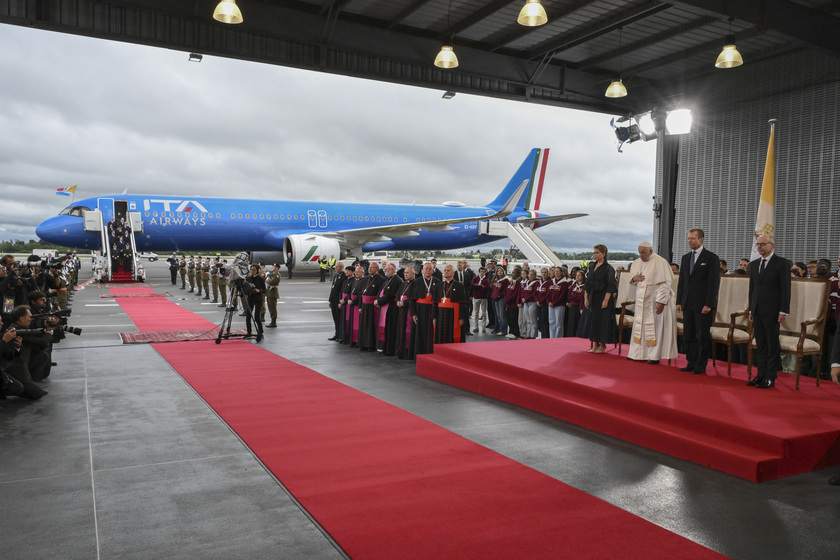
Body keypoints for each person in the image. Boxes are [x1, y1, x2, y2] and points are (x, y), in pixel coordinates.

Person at [745, 234, 791, 389]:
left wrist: (783, 310)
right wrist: (751, 308)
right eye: (758, 244)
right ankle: (760, 374)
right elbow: (753, 289)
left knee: (772, 344)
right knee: (761, 344)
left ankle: (771, 376)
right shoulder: (755, 263)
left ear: (772, 245)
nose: (760, 247)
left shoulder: (781, 263)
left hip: (773, 310)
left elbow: (786, 289)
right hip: (757, 310)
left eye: (763, 244)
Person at [676, 228, 721, 374]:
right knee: (688, 334)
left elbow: (713, 283)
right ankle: (691, 361)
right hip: (687, 303)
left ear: (701, 239)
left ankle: (701, 364)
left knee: (701, 335)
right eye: (688, 238)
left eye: (693, 239)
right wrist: (679, 301)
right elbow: (682, 281)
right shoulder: (685, 258)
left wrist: (709, 304)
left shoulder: (711, 258)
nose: (690, 241)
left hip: (703, 304)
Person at [627, 242, 678, 364]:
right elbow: (631, 279)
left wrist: (661, 302)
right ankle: (638, 353)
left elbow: (665, 284)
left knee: (654, 328)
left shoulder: (660, 262)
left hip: (655, 300)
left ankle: (654, 356)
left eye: (643, 252)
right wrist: (634, 279)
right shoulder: (637, 262)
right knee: (639, 327)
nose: (641, 255)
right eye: (639, 252)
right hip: (641, 300)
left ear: (650, 251)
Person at [584, 244, 616, 353]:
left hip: (603, 296)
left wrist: (606, 300)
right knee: (594, 319)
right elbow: (587, 284)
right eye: (594, 252)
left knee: (603, 320)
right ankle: (595, 343)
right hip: (593, 295)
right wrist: (586, 298)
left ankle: (602, 344)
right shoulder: (592, 266)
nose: (595, 255)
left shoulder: (608, 268)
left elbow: (611, 285)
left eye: (597, 253)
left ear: (603, 254)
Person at [409, 262, 441, 357]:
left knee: (432, 332)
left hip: (433, 310)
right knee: (420, 332)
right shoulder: (416, 282)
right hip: (420, 310)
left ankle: (432, 352)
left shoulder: (438, 282)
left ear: (433, 270)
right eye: (426, 268)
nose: (428, 270)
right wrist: (413, 313)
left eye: (430, 269)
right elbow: (411, 300)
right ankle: (420, 353)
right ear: (422, 270)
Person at [356, 262, 386, 351]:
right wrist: (360, 306)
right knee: (363, 325)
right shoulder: (365, 279)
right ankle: (363, 344)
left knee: (371, 326)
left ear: (377, 269)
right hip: (364, 306)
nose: (369, 269)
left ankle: (371, 345)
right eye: (369, 267)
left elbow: (380, 294)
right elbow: (361, 293)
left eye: (372, 268)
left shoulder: (381, 279)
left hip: (373, 306)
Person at [435, 264, 468, 344]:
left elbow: (463, 303)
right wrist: (434, 317)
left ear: (453, 273)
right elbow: (435, 303)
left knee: (453, 334)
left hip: (453, 315)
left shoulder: (459, 286)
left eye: (448, 270)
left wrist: (462, 318)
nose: (446, 272)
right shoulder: (439, 286)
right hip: (441, 315)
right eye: (445, 270)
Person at [376, 263, 403, 355]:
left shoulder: (396, 280)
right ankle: (383, 347)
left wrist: (379, 302)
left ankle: (389, 349)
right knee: (385, 327)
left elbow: (390, 295)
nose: (385, 271)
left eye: (387, 269)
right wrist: (377, 300)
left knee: (390, 328)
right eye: (385, 270)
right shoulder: (388, 279)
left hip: (391, 309)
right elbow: (381, 291)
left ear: (392, 270)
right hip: (384, 307)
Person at [547, 267, 569, 338]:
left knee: (558, 323)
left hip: (559, 305)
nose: (556, 273)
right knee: (551, 321)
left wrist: (554, 302)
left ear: (561, 272)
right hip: (550, 305)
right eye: (555, 271)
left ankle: (558, 337)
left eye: (558, 271)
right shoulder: (551, 281)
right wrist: (549, 302)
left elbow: (563, 295)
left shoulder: (564, 283)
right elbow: (548, 293)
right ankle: (552, 337)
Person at [328, 261, 346, 340]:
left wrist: (340, 301)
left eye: (337, 267)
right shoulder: (336, 276)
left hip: (338, 301)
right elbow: (333, 288)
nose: (335, 268)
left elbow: (342, 290)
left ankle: (341, 335)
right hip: (333, 301)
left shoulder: (344, 277)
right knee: (335, 318)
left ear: (341, 268)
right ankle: (337, 333)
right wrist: (330, 300)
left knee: (339, 319)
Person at [503, 266, 522, 339]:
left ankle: (515, 332)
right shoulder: (510, 282)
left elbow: (516, 293)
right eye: (512, 273)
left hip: (513, 304)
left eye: (514, 273)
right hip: (508, 303)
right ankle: (511, 331)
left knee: (514, 318)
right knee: (509, 319)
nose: (512, 274)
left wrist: (509, 299)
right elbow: (506, 291)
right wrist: (505, 298)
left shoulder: (518, 283)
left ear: (517, 274)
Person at [489, 266, 509, 336]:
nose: (499, 272)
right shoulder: (496, 280)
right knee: (497, 315)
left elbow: (505, 290)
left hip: (501, 299)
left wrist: (499, 296)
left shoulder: (505, 280)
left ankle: (504, 330)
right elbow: (493, 288)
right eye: (498, 271)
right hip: (494, 299)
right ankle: (499, 328)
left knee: (502, 315)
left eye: (501, 271)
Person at [471, 266, 490, 333]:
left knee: (484, 313)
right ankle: (476, 327)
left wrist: (477, 286)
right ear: (479, 272)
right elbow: (473, 285)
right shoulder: (475, 278)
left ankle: (483, 327)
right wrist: (480, 286)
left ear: (485, 272)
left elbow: (485, 288)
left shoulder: (486, 280)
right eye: (481, 271)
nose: (482, 273)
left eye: (483, 272)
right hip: (476, 297)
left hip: (484, 297)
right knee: (476, 312)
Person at [265, 264, 281, 328]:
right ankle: (272, 321)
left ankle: (273, 322)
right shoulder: (273, 274)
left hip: (273, 293)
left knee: (273, 308)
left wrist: (267, 279)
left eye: (274, 267)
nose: (272, 268)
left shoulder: (277, 275)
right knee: (270, 307)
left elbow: (271, 282)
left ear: (277, 268)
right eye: (273, 266)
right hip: (270, 292)